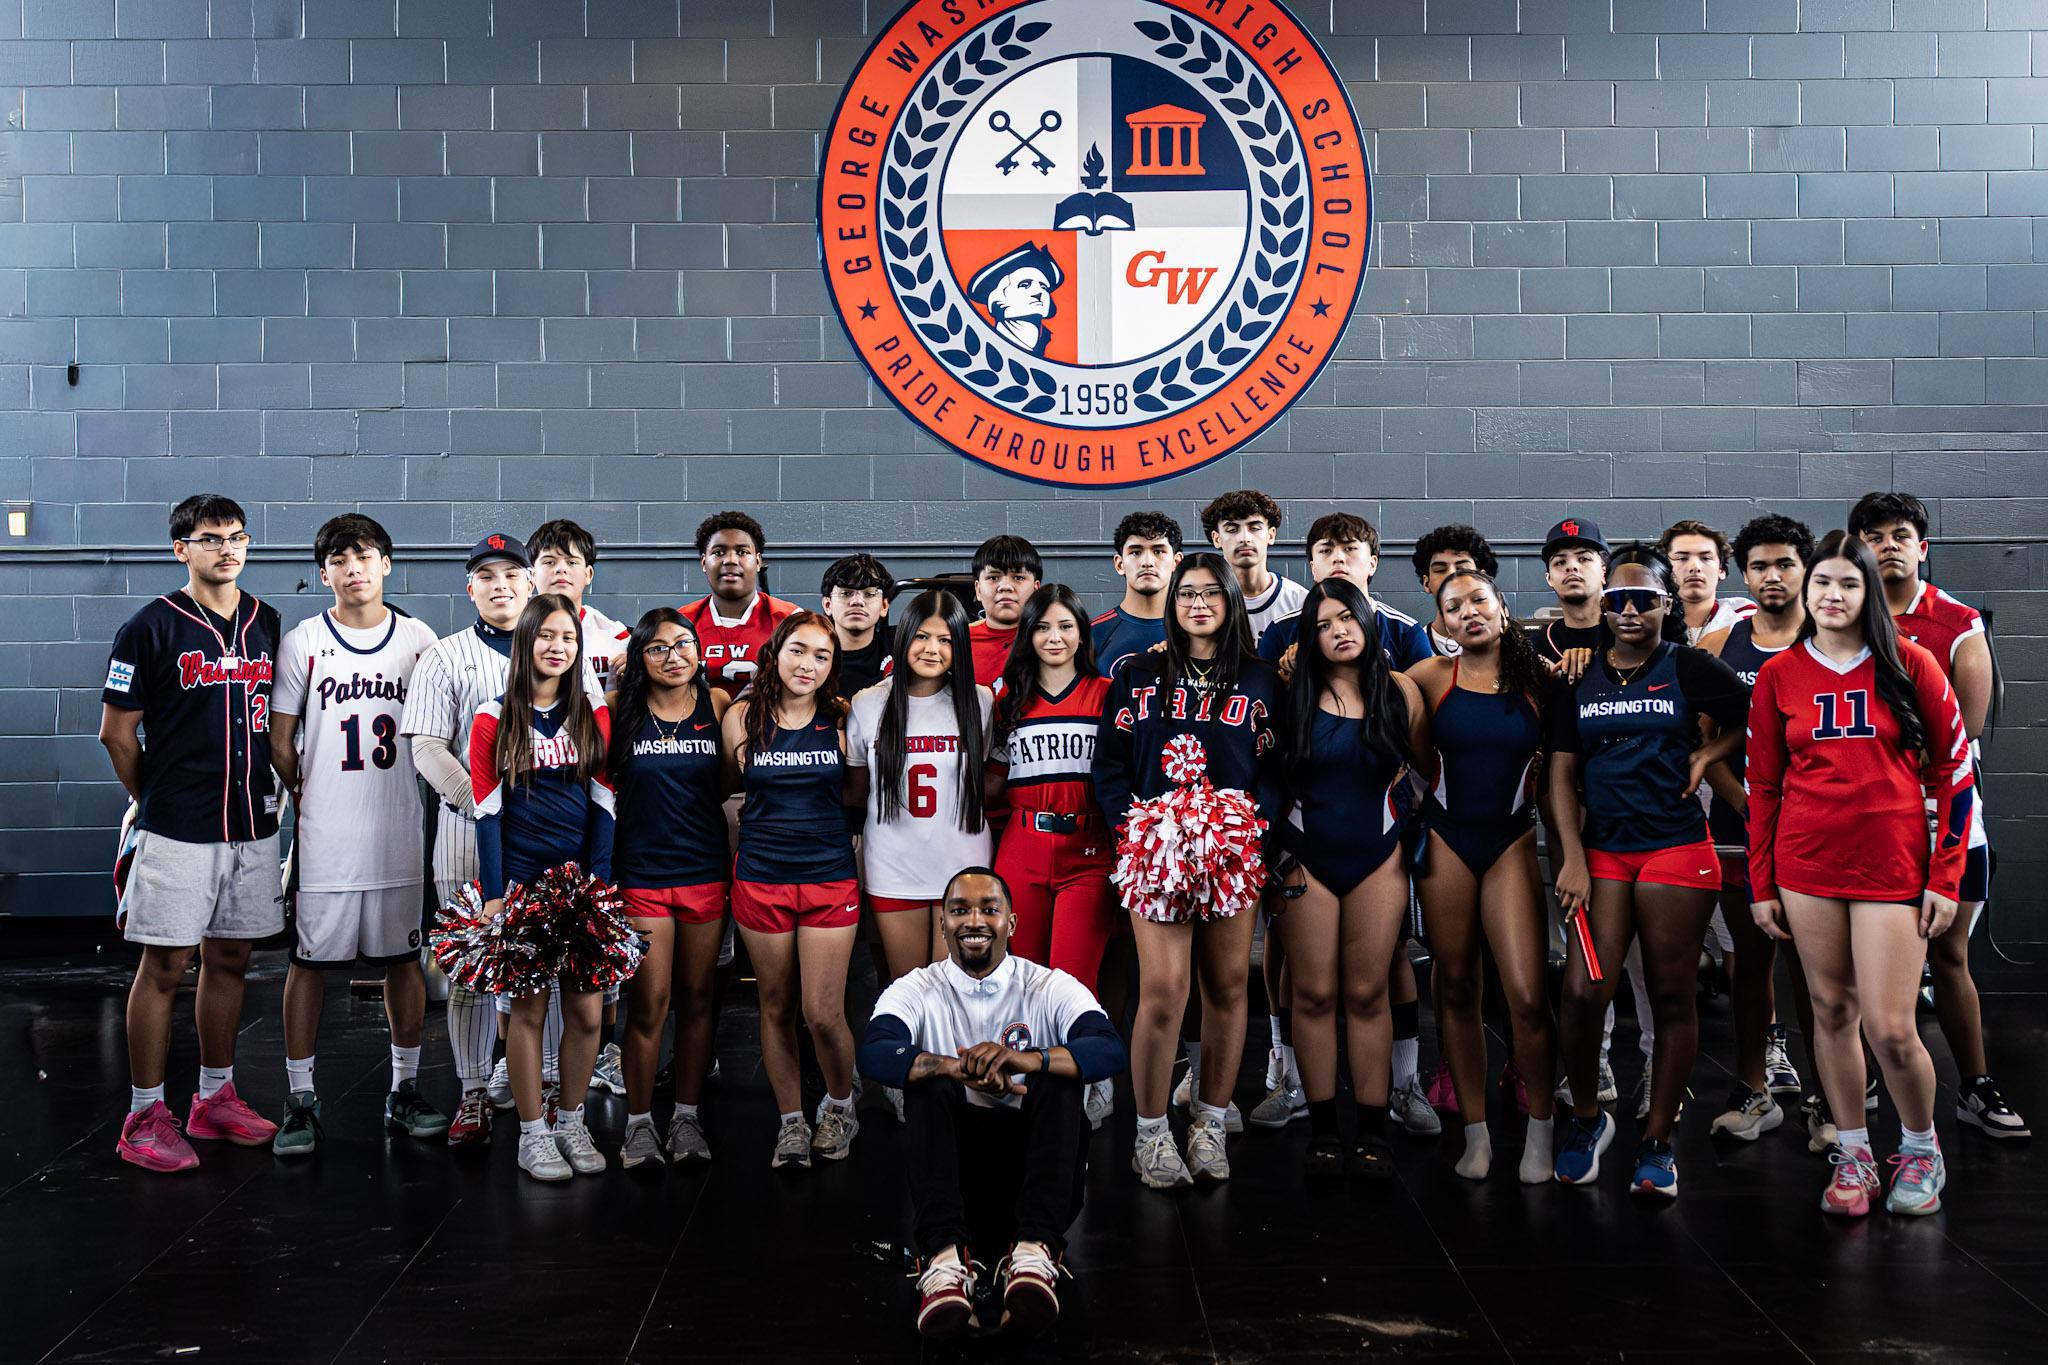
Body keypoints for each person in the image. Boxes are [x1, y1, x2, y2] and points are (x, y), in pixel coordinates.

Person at [1747, 532, 1975, 1217]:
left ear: (1868, 590)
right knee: (1832, 1012)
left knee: (1892, 1028)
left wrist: (1946, 876)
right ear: (1807, 588)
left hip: (1892, 869)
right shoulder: (1780, 674)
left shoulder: (1910, 661)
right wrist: (1762, 884)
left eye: (1849, 582)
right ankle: (1854, 1153)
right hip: (1807, 868)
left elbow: (1955, 770)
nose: (1833, 595)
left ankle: (1920, 1147)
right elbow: (1763, 787)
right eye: (1822, 582)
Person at [1547, 544, 1749, 1198]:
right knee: (1583, 992)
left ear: (1667, 604)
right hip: (1603, 852)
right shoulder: (1579, 674)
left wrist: (1709, 754)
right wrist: (1571, 854)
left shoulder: (1688, 665)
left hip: (1675, 847)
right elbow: (1560, 773)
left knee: (1670, 996)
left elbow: (1757, 713)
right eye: (1618, 599)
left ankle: (1658, 1141)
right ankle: (1587, 1119)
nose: (1630, 610)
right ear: (1603, 604)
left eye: (1644, 599)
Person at [859, 867, 1126, 1341]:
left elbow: (1108, 1048)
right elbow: (876, 1051)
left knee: (1059, 1076)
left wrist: (1027, 1058)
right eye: (960, 910)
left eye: (989, 909)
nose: (974, 920)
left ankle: (1034, 1257)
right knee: (925, 1079)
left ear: (1012, 923)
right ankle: (943, 1264)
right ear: (942, 923)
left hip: (1036, 1180)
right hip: (954, 1185)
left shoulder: (1048, 985)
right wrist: (951, 1066)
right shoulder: (916, 988)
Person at [102, 494, 283, 1171]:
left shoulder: (267, 620)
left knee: (230, 959)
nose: (227, 549)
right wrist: (152, 798)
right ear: (181, 548)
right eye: (211, 538)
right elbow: (117, 734)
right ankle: (144, 1114)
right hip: (178, 825)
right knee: (166, 966)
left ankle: (213, 1097)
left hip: (252, 824)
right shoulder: (149, 626)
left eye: (237, 537)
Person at [1094, 552, 1286, 1188]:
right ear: (1172, 603)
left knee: (1228, 985)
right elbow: (1110, 763)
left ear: (1231, 600)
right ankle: (1150, 1132)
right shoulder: (1137, 673)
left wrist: (1251, 827)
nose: (1198, 604)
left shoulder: (1263, 678)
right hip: (1157, 852)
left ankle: (1209, 1122)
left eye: (1211, 593)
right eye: (1186, 594)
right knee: (1164, 989)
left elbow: (1277, 768)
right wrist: (1135, 831)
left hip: (1232, 853)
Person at [268, 514, 447, 1156]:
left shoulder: (419, 639)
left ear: (386, 564)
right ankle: (300, 1098)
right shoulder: (303, 641)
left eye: (364, 557)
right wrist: (311, 790)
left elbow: (437, 733)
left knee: (403, 961)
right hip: (327, 838)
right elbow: (279, 740)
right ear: (324, 574)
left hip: (398, 831)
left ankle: (404, 1089)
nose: (353, 570)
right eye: (339, 561)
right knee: (308, 964)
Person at [1850, 490, 2025, 1140]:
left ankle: (1974, 1085)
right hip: (1868, 819)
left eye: (1900, 535)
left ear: (1921, 548)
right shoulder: (1841, 617)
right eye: (1874, 537)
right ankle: (1862, 1080)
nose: (1888, 546)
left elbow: (1964, 729)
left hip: (1945, 815)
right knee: (1858, 958)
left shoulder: (1955, 620)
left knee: (1949, 956)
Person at [1254, 511, 1434, 1140]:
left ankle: (1375, 1130)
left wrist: (1404, 842)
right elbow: (1264, 776)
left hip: (1377, 858)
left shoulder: (1401, 692)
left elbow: (1426, 774)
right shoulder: (1287, 693)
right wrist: (1271, 853)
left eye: (1348, 619)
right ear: (1308, 634)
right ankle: (1326, 1132)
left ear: (1368, 620)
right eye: (1323, 624)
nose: (1338, 631)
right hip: (1305, 858)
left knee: (1366, 993)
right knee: (1312, 995)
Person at [1407, 569, 1558, 1183]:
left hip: (1511, 840)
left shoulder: (1541, 680)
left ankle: (1542, 1130)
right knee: (1456, 986)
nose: (1468, 612)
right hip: (1447, 838)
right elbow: (1362, 683)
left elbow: (1562, 773)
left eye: (1478, 600)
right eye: (1454, 606)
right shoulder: (1428, 677)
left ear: (1501, 607)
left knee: (1527, 994)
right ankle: (1476, 1132)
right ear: (1442, 621)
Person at [400, 533, 549, 1147]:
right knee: (471, 971)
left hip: (546, 835)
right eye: (486, 575)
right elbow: (426, 748)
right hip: (465, 833)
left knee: (541, 967)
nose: (500, 585)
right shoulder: (445, 655)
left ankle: (540, 1085)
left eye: (512, 574)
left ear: (531, 583)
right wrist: (485, 802)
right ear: (470, 587)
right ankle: (471, 1092)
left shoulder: (558, 647)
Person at [469, 594, 617, 1182]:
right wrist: (496, 894)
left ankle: (572, 1121)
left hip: (580, 884)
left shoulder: (590, 710)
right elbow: (487, 812)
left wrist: (598, 887)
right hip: (522, 884)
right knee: (527, 1014)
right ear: (526, 640)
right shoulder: (492, 716)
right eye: (546, 636)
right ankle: (532, 1134)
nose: (558, 647)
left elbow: (604, 803)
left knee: (587, 1014)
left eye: (568, 638)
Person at [723, 611, 863, 1169]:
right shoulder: (742, 717)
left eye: (822, 656)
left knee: (822, 1012)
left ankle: (841, 1105)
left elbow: (856, 794)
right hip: (762, 877)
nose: (808, 665)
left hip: (829, 874)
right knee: (776, 1005)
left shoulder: (842, 717)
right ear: (776, 653)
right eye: (798, 651)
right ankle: (791, 1122)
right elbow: (728, 788)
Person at [1699, 515, 1818, 1147]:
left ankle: (1829, 1099)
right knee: (1750, 963)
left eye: (1785, 564)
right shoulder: (1723, 643)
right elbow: (1706, 748)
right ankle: (1753, 1090)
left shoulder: (1830, 638)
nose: (1773, 576)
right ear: (1743, 575)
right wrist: (1750, 807)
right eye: (1760, 566)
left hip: (1814, 834)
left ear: (1806, 569)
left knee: (1814, 972)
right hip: (1740, 826)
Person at [605, 609, 730, 1168]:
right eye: (658, 648)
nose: (674, 656)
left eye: (684, 644)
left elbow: (729, 782)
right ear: (639, 657)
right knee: (650, 1003)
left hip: (705, 870)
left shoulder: (718, 704)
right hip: (642, 875)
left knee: (698, 999)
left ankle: (686, 1116)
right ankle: (638, 1124)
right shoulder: (619, 709)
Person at [991, 584, 1118, 1126]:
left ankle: (1091, 1072)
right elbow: (992, 782)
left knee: (1072, 978)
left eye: (1066, 626)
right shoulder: (1008, 699)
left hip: (1087, 850)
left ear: (1082, 634)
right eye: (1042, 626)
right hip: (1021, 845)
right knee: (1019, 975)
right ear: (1028, 635)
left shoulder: (1107, 693)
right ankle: (1029, 1078)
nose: (1054, 637)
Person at [1524, 515, 1634, 1112]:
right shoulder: (1531, 645)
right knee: (1582, 934)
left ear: (1605, 570)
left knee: (1639, 946)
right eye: (1561, 560)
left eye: (1585, 558)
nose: (1572, 568)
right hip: (1563, 803)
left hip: (1632, 803)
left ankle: (1651, 1062)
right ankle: (1597, 1057)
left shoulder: (1632, 630)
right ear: (1548, 576)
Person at [846, 589, 994, 1019]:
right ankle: (911, 1063)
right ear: (903, 636)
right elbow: (856, 790)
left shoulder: (979, 701)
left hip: (964, 863)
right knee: (909, 990)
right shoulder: (869, 702)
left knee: (959, 991)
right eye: (922, 637)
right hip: (895, 866)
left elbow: (986, 776)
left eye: (945, 639)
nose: (932, 649)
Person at [529, 517, 632, 1099]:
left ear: (589, 573)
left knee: (597, 934)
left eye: (571, 561)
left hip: (596, 793)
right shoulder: (520, 630)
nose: (560, 570)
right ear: (532, 572)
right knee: (524, 947)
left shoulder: (614, 637)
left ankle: (605, 1051)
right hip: (533, 798)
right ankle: (516, 1061)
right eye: (549, 560)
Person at [680, 511, 800, 697]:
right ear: (704, 562)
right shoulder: (680, 622)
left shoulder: (791, 619)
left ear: (758, 562)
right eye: (718, 553)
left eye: (742, 552)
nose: (730, 560)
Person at [1201, 488, 1304, 640]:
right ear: (1217, 539)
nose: (1244, 538)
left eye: (1254, 528)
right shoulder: (1200, 603)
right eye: (1232, 529)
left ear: (1271, 535)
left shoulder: (1300, 601)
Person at [1091, 511, 1182, 676]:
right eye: (1135, 552)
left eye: (1158, 551)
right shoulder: (1093, 633)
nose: (1147, 562)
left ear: (1176, 562)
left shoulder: (1196, 633)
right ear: (1120, 564)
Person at [1659, 518, 1756, 644]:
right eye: (1682, 558)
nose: (1695, 567)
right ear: (1664, 568)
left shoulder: (1741, 615)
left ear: (1721, 569)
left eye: (1705, 558)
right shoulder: (1649, 619)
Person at [1411, 524, 1499, 657]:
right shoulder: (1413, 646)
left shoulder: (1510, 646)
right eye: (1440, 570)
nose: (1452, 575)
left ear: (1483, 579)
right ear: (1427, 583)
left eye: (1462, 569)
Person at [967, 534, 1043, 688]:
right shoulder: (956, 641)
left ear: (1036, 589)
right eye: (993, 578)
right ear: (978, 589)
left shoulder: (1052, 640)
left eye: (1018, 578)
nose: (1005, 586)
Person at [820, 552, 896, 700]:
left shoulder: (901, 645)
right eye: (846, 593)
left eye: (869, 594)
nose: (857, 602)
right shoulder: (811, 654)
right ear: (828, 605)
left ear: (884, 606)